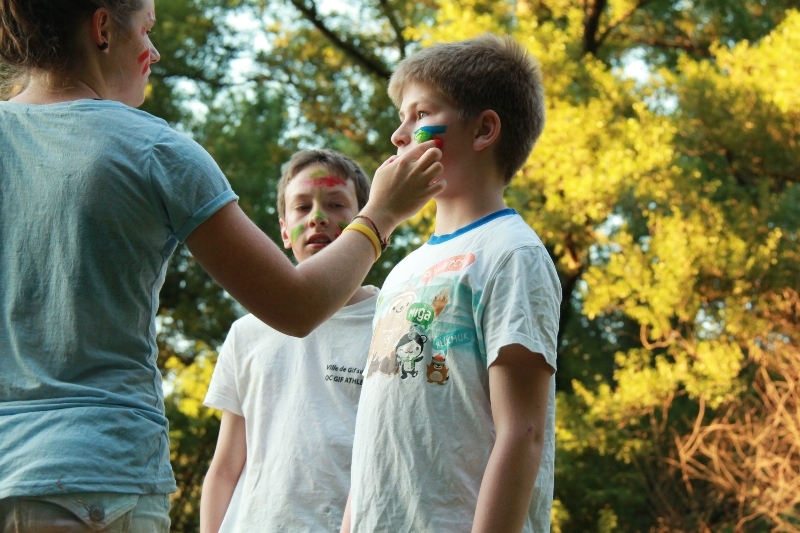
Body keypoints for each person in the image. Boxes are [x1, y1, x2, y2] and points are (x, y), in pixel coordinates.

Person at [0, 0, 445, 530]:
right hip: (94, 482)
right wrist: (382, 214)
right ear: (102, 27)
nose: (154, 51)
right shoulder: (154, 150)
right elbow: (297, 306)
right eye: (147, 30)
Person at [341, 34, 561, 533]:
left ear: (484, 130)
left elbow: (522, 433)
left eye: (419, 116)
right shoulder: (401, 269)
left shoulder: (513, 253)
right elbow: (377, 434)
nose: (399, 135)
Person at [200, 149, 379, 533]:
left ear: (369, 223)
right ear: (284, 231)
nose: (318, 217)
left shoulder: (391, 325)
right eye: (302, 208)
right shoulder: (248, 333)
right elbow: (226, 465)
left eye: (335, 204)